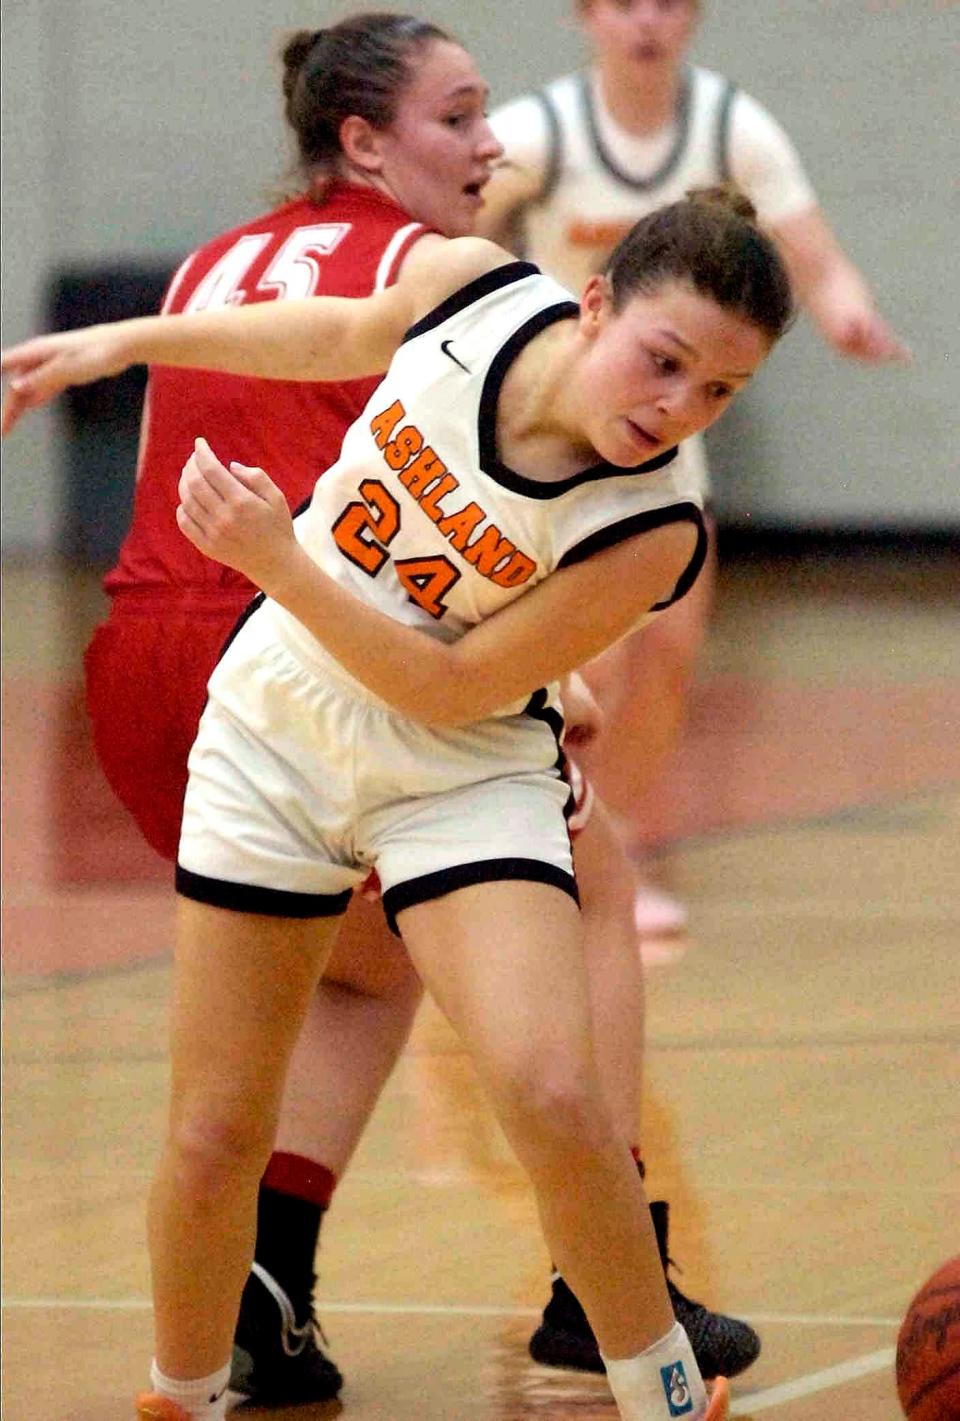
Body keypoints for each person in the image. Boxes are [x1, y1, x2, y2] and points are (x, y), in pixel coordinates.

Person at [1, 13, 757, 1404]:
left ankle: (641, 1365)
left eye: (719, 390)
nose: (680, 406)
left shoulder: (649, 523)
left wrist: (283, 560)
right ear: (592, 302)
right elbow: (335, 332)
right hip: (269, 698)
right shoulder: (463, 282)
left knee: (546, 1088)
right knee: (212, 1124)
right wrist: (118, 345)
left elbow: (462, 681)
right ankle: (196, 1375)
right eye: (666, 362)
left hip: (414, 725)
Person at [477, 0, 909, 940]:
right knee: (584, 656)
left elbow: (817, 258)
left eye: (669, 2)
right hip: (567, 425)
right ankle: (512, 850)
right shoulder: (542, 128)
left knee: (667, 653)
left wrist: (846, 310)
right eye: (627, 2)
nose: (648, 22)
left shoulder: (728, 126)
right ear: (586, 15)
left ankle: (611, 842)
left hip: (669, 434)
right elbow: (445, 221)